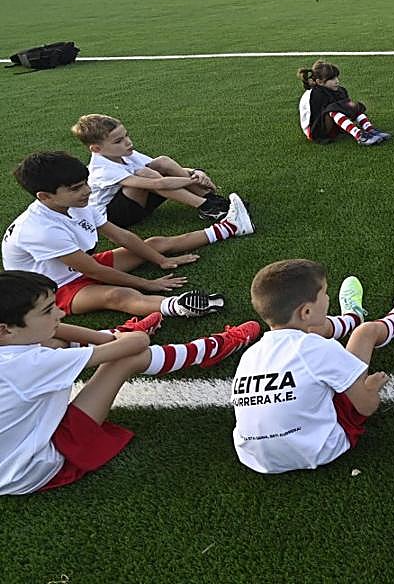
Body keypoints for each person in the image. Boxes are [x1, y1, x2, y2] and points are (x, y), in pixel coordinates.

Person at [0, 269, 260, 495]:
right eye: (48, 311)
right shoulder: (29, 364)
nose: (59, 313)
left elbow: (54, 334)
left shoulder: (11, 345)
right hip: (35, 468)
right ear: (6, 329)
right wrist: (128, 339)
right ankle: (213, 349)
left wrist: (113, 340)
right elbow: (139, 344)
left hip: (8, 461)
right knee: (124, 359)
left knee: (56, 341)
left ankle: (119, 336)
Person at [231, 259, 394, 474]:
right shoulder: (317, 348)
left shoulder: (250, 355)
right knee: (365, 333)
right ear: (306, 311)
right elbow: (366, 407)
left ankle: (352, 317)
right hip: (323, 449)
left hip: (256, 460)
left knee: (312, 333)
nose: (327, 298)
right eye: (324, 293)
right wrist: (370, 388)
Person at [1, 152, 252, 319]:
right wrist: (149, 283)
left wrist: (159, 260)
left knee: (153, 244)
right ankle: (177, 306)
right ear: (45, 197)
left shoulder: (76, 205)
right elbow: (94, 272)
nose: (88, 191)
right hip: (52, 289)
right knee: (116, 296)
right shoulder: (40, 230)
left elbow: (122, 236)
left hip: (75, 268)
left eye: (86, 183)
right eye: (77, 188)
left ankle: (230, 227)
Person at [72, 113, 232, 226]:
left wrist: (196, 172)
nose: (128, 142)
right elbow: (157, 184)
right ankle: (206, 206)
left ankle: (212, 200)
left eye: (127, 135)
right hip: (113, 217)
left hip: (137, 200)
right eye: (119, 141)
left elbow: (164, 171)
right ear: (96, 149)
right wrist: (191, 179)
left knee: (162, 162)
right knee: (145, 177)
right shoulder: (102, 169)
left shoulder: (127, 153)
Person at [297, 60, 390, 145]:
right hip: (316, 130)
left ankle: (370, 129)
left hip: (328, 124)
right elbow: (317, 117)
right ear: (319, 82)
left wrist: (352, 107)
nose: (337, 81)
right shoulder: (315, 94)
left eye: (336, 77)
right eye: (332, 79)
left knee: (352, 106)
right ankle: (360, 136)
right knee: (333, 110)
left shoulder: (338, 90)